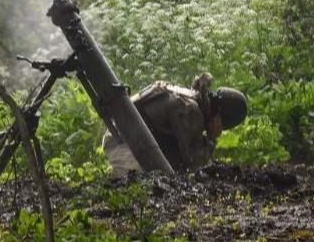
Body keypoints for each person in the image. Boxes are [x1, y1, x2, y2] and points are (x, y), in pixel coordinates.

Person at [104, 73, 248, 177]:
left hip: (121, 138)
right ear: (220, 119)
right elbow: (193, 164)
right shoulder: (191, 110)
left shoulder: (189, 98)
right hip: (122, 146)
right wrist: (211, 140)